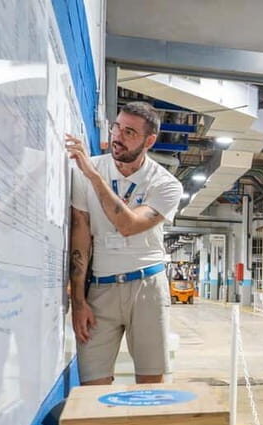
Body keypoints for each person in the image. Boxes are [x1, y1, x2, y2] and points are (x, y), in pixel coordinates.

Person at [67, 101, 182, 385]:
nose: (118, 137)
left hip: (147, 287)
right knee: (92, 383)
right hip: (101, 288)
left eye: (130, 132)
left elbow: (128, 225)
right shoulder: (88, 169)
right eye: (117, 127)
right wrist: (78, 301)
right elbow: (80, 238)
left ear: (149, 140)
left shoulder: (165, 185)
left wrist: (94, 177)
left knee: (151, 386)